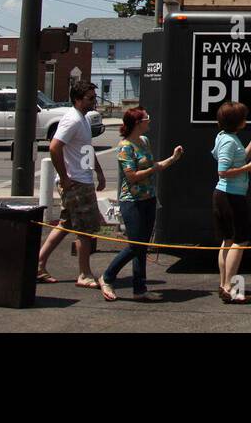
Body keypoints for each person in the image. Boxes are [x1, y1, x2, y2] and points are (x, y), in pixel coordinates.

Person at [100, 108, 182, 301]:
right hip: (132, 201)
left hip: (148, 198)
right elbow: (132, 176)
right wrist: (153, 169)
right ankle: (107, 277)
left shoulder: (144, 141)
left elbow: (154, 166)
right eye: (147, 119)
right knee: (135, 244)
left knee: (142, 246)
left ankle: (140, 289)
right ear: (137, 123)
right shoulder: (125, 147)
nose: (149, 121)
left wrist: (172, 159)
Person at [37, 82, 108, 287]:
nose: (94, 102)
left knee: (66, 224)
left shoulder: (83, 119)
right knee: (84, 230)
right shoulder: (72, 120)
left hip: (83, 179)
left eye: (94, 98)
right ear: (77, 99)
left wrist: (99, 172)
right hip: (76, 183)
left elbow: (86, 149)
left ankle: (39, 264)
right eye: (90, 98)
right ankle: (84, 274)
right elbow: (54, 147)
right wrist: (65, 178)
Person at [213, 101, 251, 303]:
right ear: (236, 121)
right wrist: (247, 169)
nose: (246, 120)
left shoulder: (226, 137)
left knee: (227, 239)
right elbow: (223, 171)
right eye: (243, 117)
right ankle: (229, 287)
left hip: (225, 195)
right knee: (240, 240)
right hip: (230, 196)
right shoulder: (228, 141)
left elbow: (241, 157)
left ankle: (224, 285)